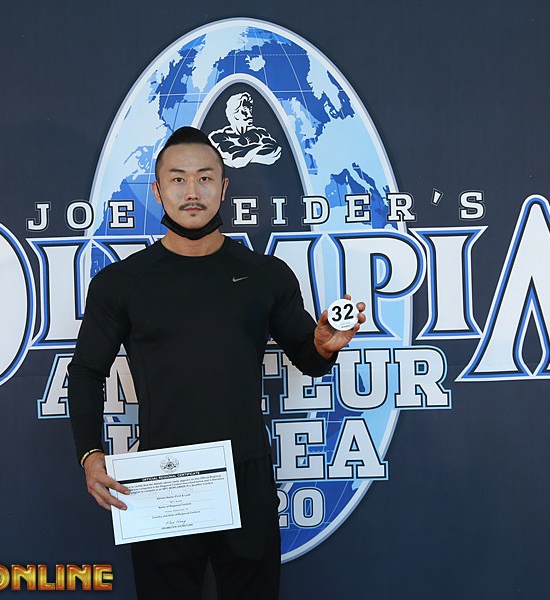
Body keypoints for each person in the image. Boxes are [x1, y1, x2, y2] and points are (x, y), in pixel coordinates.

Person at [68, 126, 365, 600]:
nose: (192, 191)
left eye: (204, 178)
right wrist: (90, 453)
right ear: (157, 191)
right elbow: (86, 371)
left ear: (224, 188)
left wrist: (325, 346)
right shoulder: (121, 283)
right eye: (178, 179)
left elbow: (307, 357)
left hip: (247, 476)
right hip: (162, 477)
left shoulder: (265, 275)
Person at [209, 92, 282, 168]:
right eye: (244, 112)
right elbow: (235, 158)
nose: (250, 115)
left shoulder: (260, 132)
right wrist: (260, 149)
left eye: (250, 110)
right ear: (234, 114)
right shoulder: (217, 137)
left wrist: (246, 155)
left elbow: (275, 151)